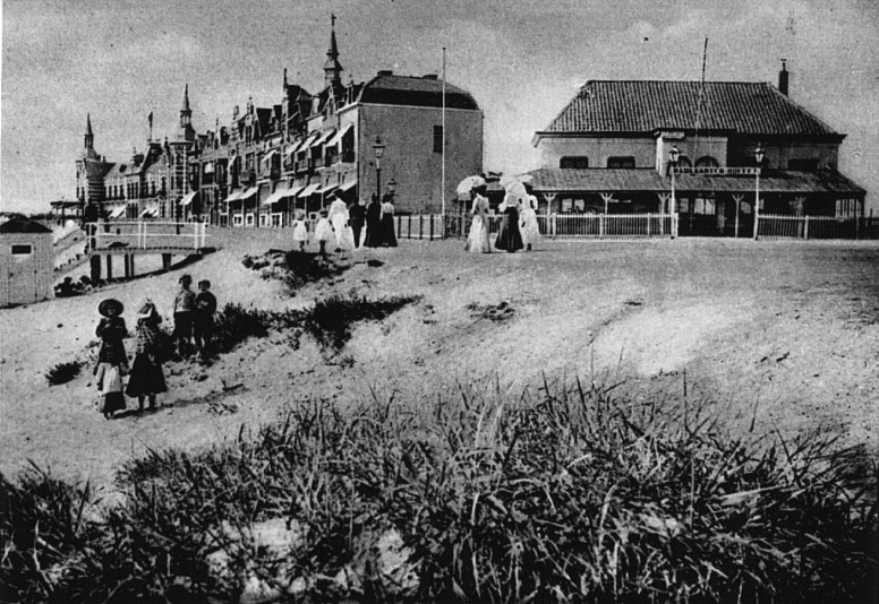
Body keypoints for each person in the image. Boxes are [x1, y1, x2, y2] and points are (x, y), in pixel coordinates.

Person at [126, 299, 168, 412]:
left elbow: (150, 341)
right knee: (148, 381)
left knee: (145, 382)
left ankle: (145, 406)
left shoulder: (146, 325)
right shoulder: (146, 325)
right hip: (146, 354)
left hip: (146, 354)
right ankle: (148, 406)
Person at [94, 298, 128, 419]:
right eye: (109, 309)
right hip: (106, 349)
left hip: (117, 348)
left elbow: (124, 333)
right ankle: (106, 408)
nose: (111, 311)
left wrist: (118, 329)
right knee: (106, 379)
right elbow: (98, 333)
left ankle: (114, 407)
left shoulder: (120, 320)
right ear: (106, 311)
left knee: (116, 378)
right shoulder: (103, 321)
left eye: (113, 309)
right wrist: (106, 327)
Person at [95, 345, 127, 419]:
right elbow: (99, 375)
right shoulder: (103, 365)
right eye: (108, 354)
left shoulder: (117, 364)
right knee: (107, 400)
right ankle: (106, 413)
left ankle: (112, 412)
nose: (110, 356)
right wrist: (98, 382)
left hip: (116, 385)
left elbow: (124, 372)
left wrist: (122, 365)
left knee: (114, 399)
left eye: (112, 354)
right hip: (107, 385)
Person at [172, 274, 196, 358]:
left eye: (186, 281)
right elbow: (175, 304)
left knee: (187, 332)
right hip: (179, 313)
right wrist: (174, 313)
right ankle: (180, 350)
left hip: (187, 313)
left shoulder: (191, 294)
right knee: (179, 332)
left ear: (189, 282)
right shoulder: (178, 294)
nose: (184, 283)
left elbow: (193, 305)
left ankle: (188, 350)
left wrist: (193, 315)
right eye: (182, 281)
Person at [194, 279, 217, 359]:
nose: (202, 287)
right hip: (198, 319)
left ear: (208, 286)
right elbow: (195, 307)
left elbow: (213, 308)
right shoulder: (198, 296)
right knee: (197, 335)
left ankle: (207, 352)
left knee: (207, 336)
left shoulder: (211, 297)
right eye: (201, 286)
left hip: (207, 319)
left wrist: (205, 310)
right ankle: (200, 350)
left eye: (204, 286)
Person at [465, 185, 491, 253]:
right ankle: (484, 247)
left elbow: (473, 211)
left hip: (477, 217)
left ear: (476, 192)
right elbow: (487, 210)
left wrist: (469, 213)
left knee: (476, 231)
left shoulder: (476, 199)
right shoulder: (486, 199)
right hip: (483, 216)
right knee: (483, 231)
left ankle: (476, 247)